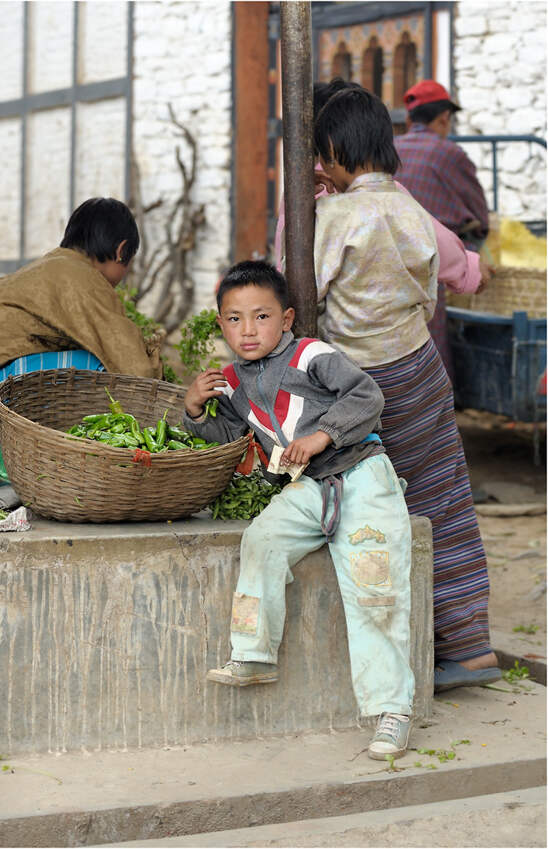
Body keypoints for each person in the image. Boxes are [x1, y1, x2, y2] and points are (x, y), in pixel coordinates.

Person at [183, 260, 415, 761]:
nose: (248, 330)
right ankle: (253, 653)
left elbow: (366, 394)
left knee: (374, 587)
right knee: (261, 540)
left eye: (261, 316)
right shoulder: (233, 383)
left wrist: (320, 435)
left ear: (286, 319)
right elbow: (227, 438)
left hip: (361, 476)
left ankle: (392, 709)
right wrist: (196, 409)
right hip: (307, 487)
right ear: (220, 324)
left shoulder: (313, 355)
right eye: (234, 318)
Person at [312, 86, 500, 692]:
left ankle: (382, 658)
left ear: (334, 151)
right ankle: (469, 646)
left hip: (360, 386)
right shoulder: (412, 208)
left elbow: (297, 298)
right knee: (443, 504)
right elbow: (466, 270)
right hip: (421, 371)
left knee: (365, 509)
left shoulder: (334, 217)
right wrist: (476, 268)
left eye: (319, 155)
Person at [274, 77, 492, 379]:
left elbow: (293, 282)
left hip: (337, 361)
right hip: (400, 360)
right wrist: (473, 271)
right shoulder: (392, 196)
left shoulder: (300, 194)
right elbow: (442, 248)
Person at [0, 198, 162, 439]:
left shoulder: (51, 266)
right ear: (121, 251)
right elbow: (135, 368)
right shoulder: (83, 278)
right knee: (101, 368)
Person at [394, 80, 491, 376]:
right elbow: (478, 214)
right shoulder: (450, 153)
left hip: (388, 255)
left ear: (411, 119)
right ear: (444, 118)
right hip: (433, 259)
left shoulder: (389, 148)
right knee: (430, 341)